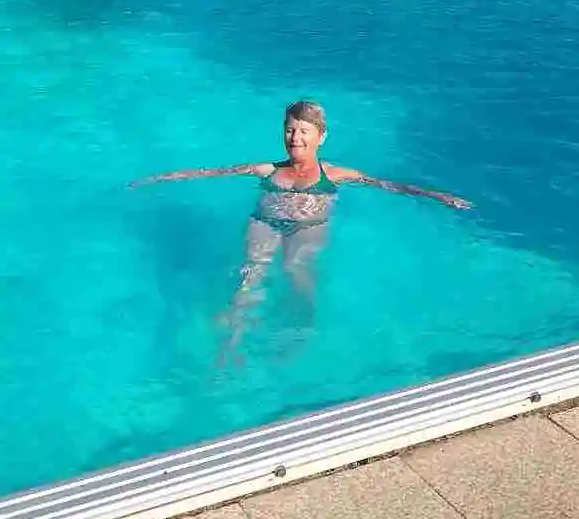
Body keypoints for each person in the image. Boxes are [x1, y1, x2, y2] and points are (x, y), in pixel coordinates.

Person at [133, 100, 471, 358]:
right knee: (249, 272)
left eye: (303, 131)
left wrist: (437, 195)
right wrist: (162, 177)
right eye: (290, 129)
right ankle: (232, 340)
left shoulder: (337, 174)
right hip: (265, 222)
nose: (295, 137)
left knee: (296, 270)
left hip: (308, 226)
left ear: (320, 136)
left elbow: (388, 185)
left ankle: (300, 325)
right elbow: (214, 172)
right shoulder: (266, 169)